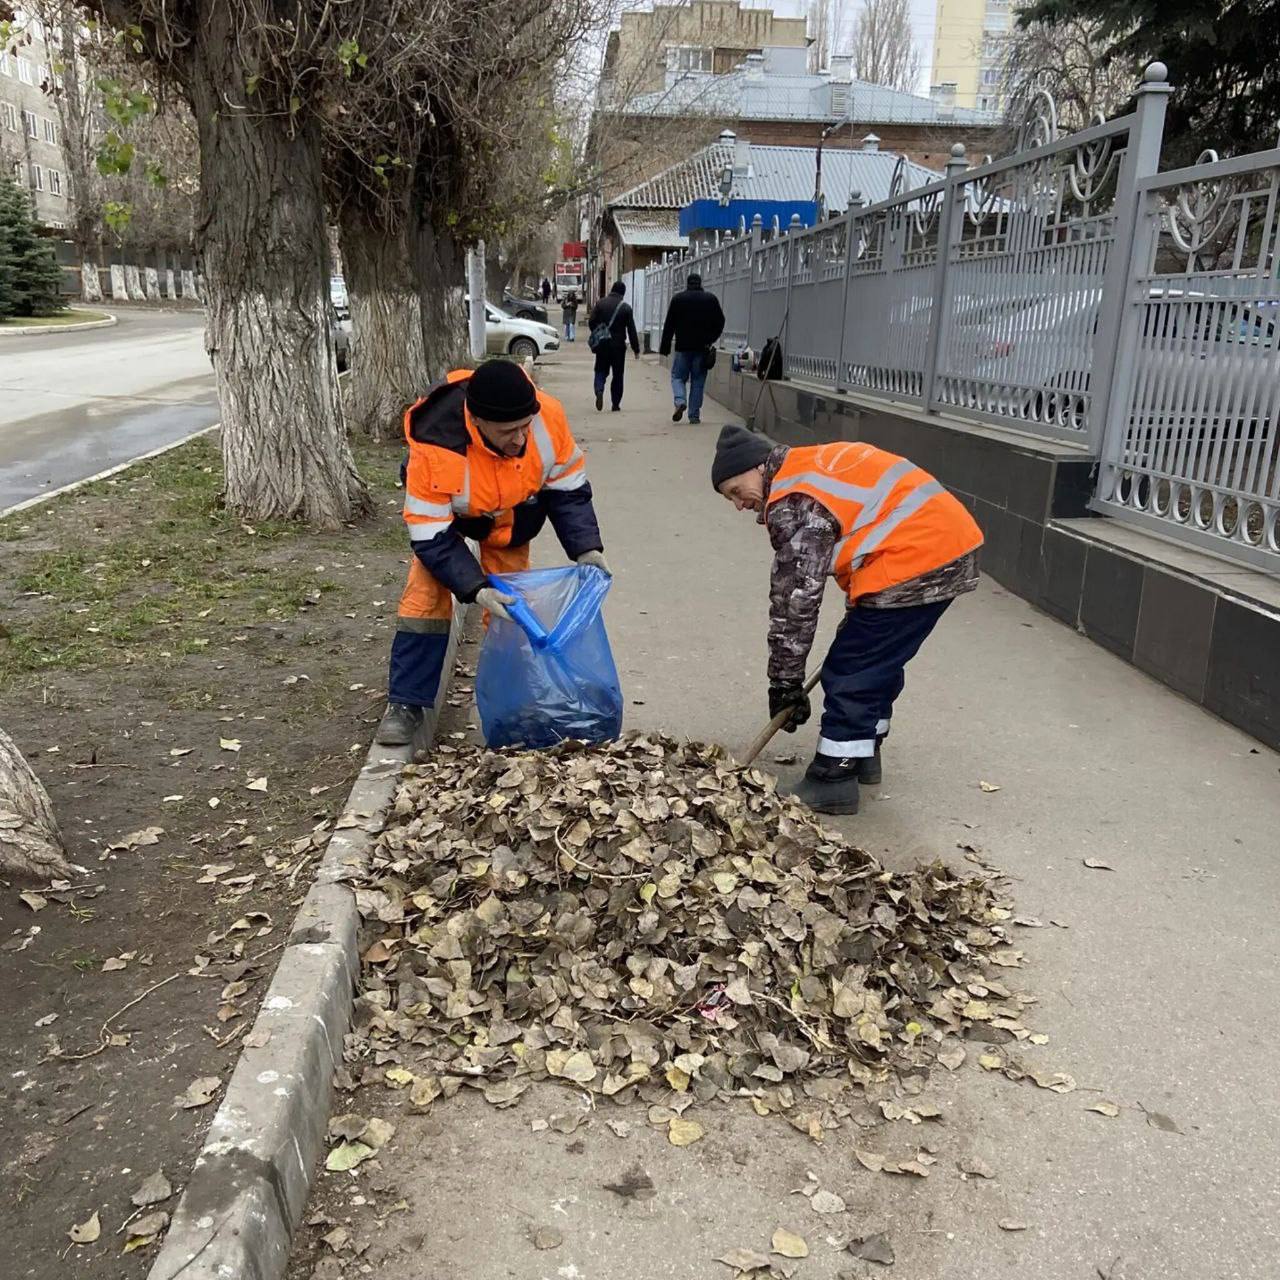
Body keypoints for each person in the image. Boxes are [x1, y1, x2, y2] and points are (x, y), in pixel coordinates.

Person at [711, 425, 983, 815]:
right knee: (878, 657)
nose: (739, 504)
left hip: (915, 558)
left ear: (758, 468)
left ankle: (833, 777)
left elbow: (795, 600)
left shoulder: (792, 500)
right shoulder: (808, 467)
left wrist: (784, 680)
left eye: (736, 491)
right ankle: (863, 754)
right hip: (942, 546)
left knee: (853, 668)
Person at [377, 361, 611, 745]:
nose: (520, 439)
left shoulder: (545, 417)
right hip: (450, 522)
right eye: (508, 432)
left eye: (525, 427)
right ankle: (406, 703)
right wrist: (474, 586)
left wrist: (587, 548)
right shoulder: (435, 446)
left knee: (514, 608)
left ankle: (514, 694)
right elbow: (431, 536)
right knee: (425, 597)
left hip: (512, 516)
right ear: (477, 421)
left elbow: (567, 489)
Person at [659, 272, 725, 425]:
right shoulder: (710, 299)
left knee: (677, 377)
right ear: (700, 283)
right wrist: (711, 339)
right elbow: (720, 321)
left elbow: (669, 324)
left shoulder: (678, 299)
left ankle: (680, 401)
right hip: (702, 348)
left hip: (683, 347)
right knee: (698, 381)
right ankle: (694, 415)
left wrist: (665, 347)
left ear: (687, 284)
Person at [588, 281, 640, 413]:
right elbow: (631, 330)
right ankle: (615, 404)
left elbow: (591, 321)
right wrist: (636, 349)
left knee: (600, 369)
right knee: (618, 374)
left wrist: (598, 331)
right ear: (623, 292)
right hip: (618, 346)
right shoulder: (625, 308)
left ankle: (599, 390)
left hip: (603, 344)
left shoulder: (601, 303)